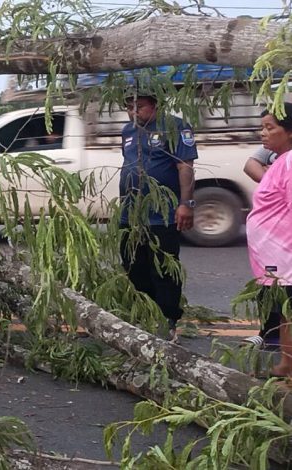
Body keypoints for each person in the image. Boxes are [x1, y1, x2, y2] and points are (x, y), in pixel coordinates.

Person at [119, 88, 197, 341]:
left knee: (163, 271)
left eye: (138, 106)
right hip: (131, 215)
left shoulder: (174, 127)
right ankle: (145, 315)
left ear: (154, 105)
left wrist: (186, 204)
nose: (133, 112)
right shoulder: (128, 132)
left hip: (161, 215)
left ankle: (167, 321)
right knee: (134, 267)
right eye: (129, 107)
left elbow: (184, 167)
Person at [248, 104, 292, 377]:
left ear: (289, 133)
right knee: (286, 311)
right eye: (262, 127)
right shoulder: (280, 160)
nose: (262, 133)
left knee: (288, 309)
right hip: (275, 256)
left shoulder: (289, 163)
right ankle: (287, 364)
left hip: (285, 254)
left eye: (270, 127)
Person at [242, 146, 282, 349]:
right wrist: (272, 176)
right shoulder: (275, 151)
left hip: (284, 237)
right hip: (270, 238)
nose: (263, 133)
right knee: (268, 286)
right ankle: (268, 332)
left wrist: (271, 174)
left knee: (283, 289)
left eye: (269, 127)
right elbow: (250, 165)